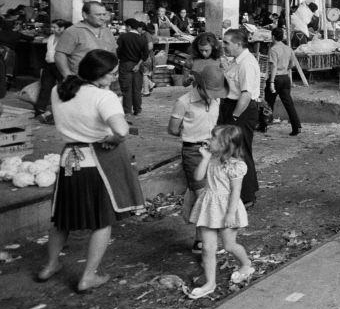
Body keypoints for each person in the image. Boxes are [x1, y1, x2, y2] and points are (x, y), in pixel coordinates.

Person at [37, 49, 144, 292]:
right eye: (112, 74)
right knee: (102, 220)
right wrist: (113, 139)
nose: (115, 78)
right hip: (95, 164)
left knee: (61, 219)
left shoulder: (59, 90)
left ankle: (50, 265)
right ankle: (88, 276)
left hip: (68, 162)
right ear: (99, 73)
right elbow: (123, 130)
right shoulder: (103, 97)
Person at [186, 125, 255, 299]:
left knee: (229, 246)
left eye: (214, 138)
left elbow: (235, 192)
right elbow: (197, 177)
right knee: (208, 249)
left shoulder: (236, 165)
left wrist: (231, 214)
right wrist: (205, 158)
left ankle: (246, 263)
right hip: (209, 207)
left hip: (226, 208)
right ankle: (210, 283)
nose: (209, 140)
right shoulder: (212, 159)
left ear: (226, 143)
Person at [168, 63, 227, 255]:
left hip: (213, 149)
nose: (212, 95)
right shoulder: (184, 102)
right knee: (203, 196)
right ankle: (204, 242)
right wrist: (191, 134)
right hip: (193, 151)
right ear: (199, 86)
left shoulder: (216, 101)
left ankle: (201, 240)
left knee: (212, 194)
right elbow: (173, 129)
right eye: (210, 91)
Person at [218, 29, 261, 205]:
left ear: (238, 44)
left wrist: (234, 118)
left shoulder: (247, 64)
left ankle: (247, 196)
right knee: (235, 151)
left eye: (227, 42)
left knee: (241, 152)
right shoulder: (237, 62)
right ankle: (245, 190)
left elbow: (245, 94)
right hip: (232, 106)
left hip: (241, 110)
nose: (224, 46)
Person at [55, 1, 117, 79]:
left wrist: (114, 71)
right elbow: (60, 55)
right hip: (81, 81)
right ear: (85, 15)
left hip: (104, 81)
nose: (102, 18)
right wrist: (68, 77)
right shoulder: (73, 31)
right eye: (98, 15)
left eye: (104, 14)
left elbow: (113, 52)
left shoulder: (107, 31)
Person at [258, 26, 302, 136]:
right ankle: (296, 127)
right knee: (289, 104)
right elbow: (292, 64)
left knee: (268, 104)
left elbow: (273, 67)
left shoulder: (273, 49)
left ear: (273, 37)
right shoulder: (288, 48)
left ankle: (263, 125)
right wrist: (285, 69)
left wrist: (272, 82)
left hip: (276, 78)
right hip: (285, 78)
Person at [34, 19, 69, 121]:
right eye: (52, 27)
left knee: (63, 88)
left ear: (62, 28)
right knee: (45, 87)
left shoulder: (66, 38)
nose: (52, 29)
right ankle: (39, 110)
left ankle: (65, 111)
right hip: (48, 65)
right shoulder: (51, 37)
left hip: (60, 65)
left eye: (55, 27)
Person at [115, 18, 149, 118]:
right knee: (137, 89)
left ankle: (127, 111)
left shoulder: (123, 37)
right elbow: (145, 55)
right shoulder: (142, 38)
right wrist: (138, 65)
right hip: (138, 66)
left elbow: (118, 51)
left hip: (125, 65)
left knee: (126, 89)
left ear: (129, 26)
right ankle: (138, 110)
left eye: (126, 26)